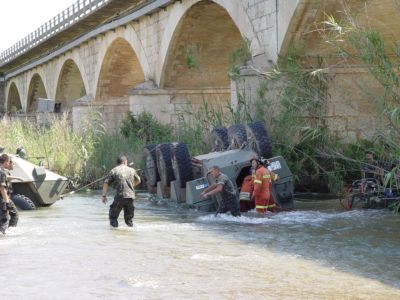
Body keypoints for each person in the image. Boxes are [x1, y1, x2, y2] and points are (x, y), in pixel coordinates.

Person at [101, 155, 141, 228]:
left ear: (117, 163)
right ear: (125, 162)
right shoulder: (132, 170)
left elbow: (106, 182)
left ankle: (115, 236)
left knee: (113, 218)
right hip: (130, 197)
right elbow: (138, 180)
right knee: (129, 221)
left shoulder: (114, 170)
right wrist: (131, 186)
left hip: (120, 197)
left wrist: (104, 196)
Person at [0, 154, 22, 234]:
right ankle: (5, 235)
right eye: (9, 162)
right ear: (5, 162)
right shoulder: (1, 172)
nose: (9, 163)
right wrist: (7, 202)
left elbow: (4, 177)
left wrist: (17, 178)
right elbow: (2, 188)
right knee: (5, 220)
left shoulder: (1, 172)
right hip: (2, 198)